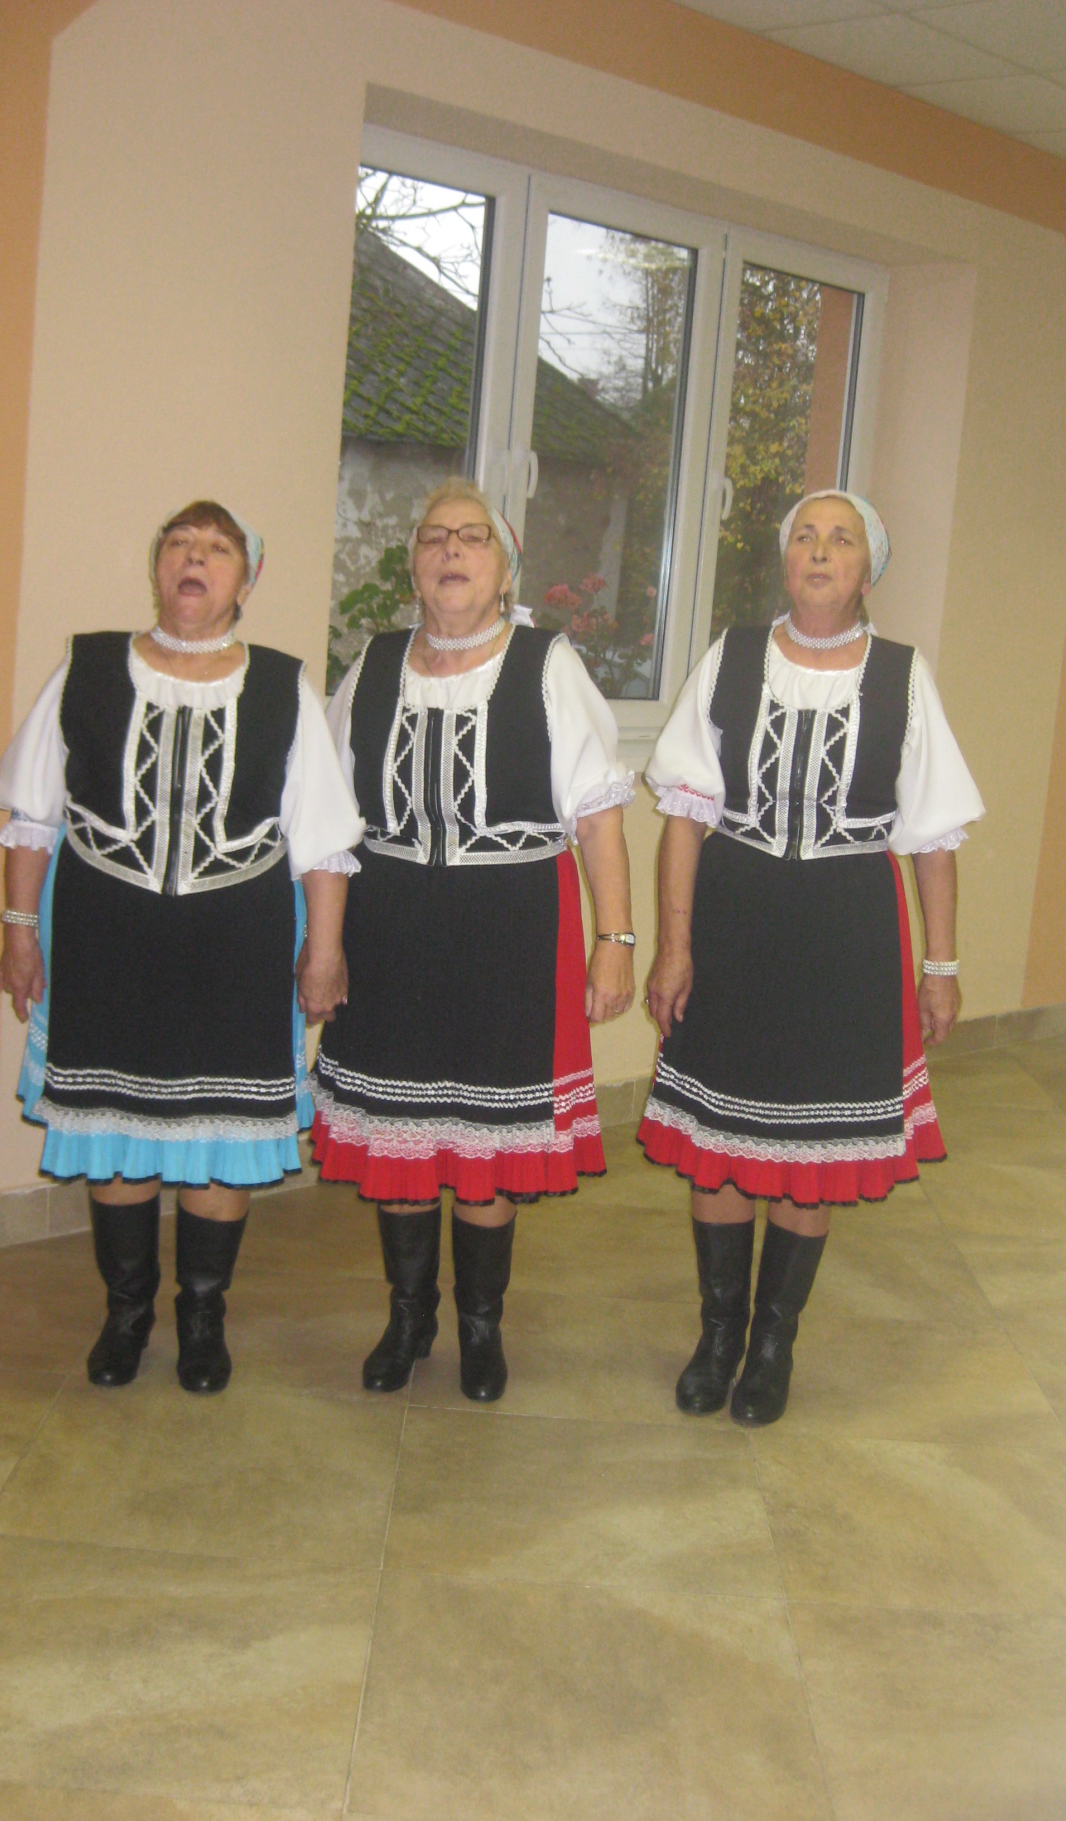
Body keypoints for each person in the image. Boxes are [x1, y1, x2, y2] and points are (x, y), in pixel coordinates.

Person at [0, 502, 362, 1394]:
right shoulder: (85, 668)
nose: (195, 559)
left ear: (246, 580)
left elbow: (321, 842)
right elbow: (33, 817)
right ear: (158, 566)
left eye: (218, 549)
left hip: (238, 947)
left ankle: (202, 1316)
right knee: (113, 1127)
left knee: (223, 1133)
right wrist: (19, 932)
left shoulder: (282, 687)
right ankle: (126, 1313)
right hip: (104, 939)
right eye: (180, 545)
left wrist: (323, 952)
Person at [639, 489, 984, 1426]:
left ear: (869, 570)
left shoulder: (903, 676)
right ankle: (718, 1335)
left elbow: (933, 836)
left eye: (841, 540)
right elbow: (684, 816)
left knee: (810, 1152)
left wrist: (941, 965)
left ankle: (772, 1344)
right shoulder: (732, 656)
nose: (821, 552)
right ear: (785, 560)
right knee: (718, 1148)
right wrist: (673, 947)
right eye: (805, 536)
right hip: (735, 919)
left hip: (846, 931)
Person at [313, 477, 635, 1403]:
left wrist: (615, 937)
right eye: (434, 536)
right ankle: (408, 1316)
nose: (451, 549)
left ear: (504, 571)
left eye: (473, 536)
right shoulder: (373, 666)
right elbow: (329, 823)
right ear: (415, 565)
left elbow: (598, 816)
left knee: (486, 1147)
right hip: (390, 930)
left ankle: (480, 1326)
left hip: (511, 931)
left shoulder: (547, 664)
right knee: (403, 1141)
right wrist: (325, 947)